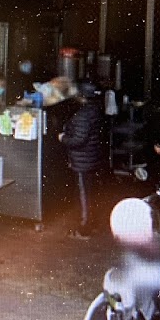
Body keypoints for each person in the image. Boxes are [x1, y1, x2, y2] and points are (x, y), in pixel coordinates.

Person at [59, 80, 106, 238]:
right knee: (90, 193)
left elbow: (78, 140)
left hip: (82, 161)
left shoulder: (82, 115)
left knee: (83, 195)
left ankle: (83, 230)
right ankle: (92, 225)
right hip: (92, 157)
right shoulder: (95, 110)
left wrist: (63, 137)